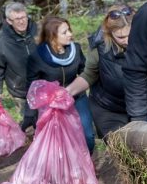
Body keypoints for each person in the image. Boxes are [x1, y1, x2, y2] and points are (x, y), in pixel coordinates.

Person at [26, 15, 96, 153]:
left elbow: (86, 72)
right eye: (65, 32)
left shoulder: (75, 49)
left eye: (69, 30)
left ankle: (86, 164)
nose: (70, 34)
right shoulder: (37, 57)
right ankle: (69, 169)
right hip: (53, 106)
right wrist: (30, 114)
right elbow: (31, 87)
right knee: (61, 142)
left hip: (77, 98)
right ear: (52, 36)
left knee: (88, 136)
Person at [66, 4, 134, 138]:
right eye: (120, 37)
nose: (127, 41)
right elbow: (88, 75)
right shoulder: (100, 47)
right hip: (108, 109)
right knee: (121, 148)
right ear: (109, 33)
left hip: (139, 107)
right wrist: (67, 92)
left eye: (130, 35)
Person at [0, 1, 36, 128]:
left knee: (44, 118)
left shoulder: (37, 31)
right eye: (17, 19)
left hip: (42, 85)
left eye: (24, 17)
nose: (22, 21)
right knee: (28, 120)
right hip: (20, 90)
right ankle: (31, 142)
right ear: (9, 21)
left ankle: (46, 142)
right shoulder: (2, 42)